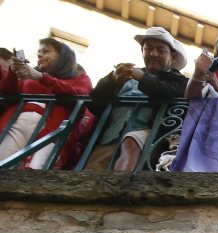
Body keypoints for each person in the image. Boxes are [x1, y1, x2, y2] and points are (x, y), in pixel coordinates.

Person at [86, 27, 187, 171]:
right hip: (110, 137)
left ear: (173, 57)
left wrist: (143, 78)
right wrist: (112, 80)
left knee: (130, 143)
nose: (153, 54)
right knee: (91, 173)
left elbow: (174, 92)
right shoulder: (125, 77)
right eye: (148, 48)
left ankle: (119, 190)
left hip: (150, 139)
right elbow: (94, 103)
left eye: (161, 50)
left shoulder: (178, 80)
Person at [0, 38, 91, 169]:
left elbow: (81, 94)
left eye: (46, 51)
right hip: (17, 123)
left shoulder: (79, 78)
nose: (40, 55)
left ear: (62, 56)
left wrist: (42, 78)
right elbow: (8, 92)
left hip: (53, 131)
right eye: (39, 52)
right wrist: (13, 72)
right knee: (3, 164)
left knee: (35, 170)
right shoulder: (29, 75)